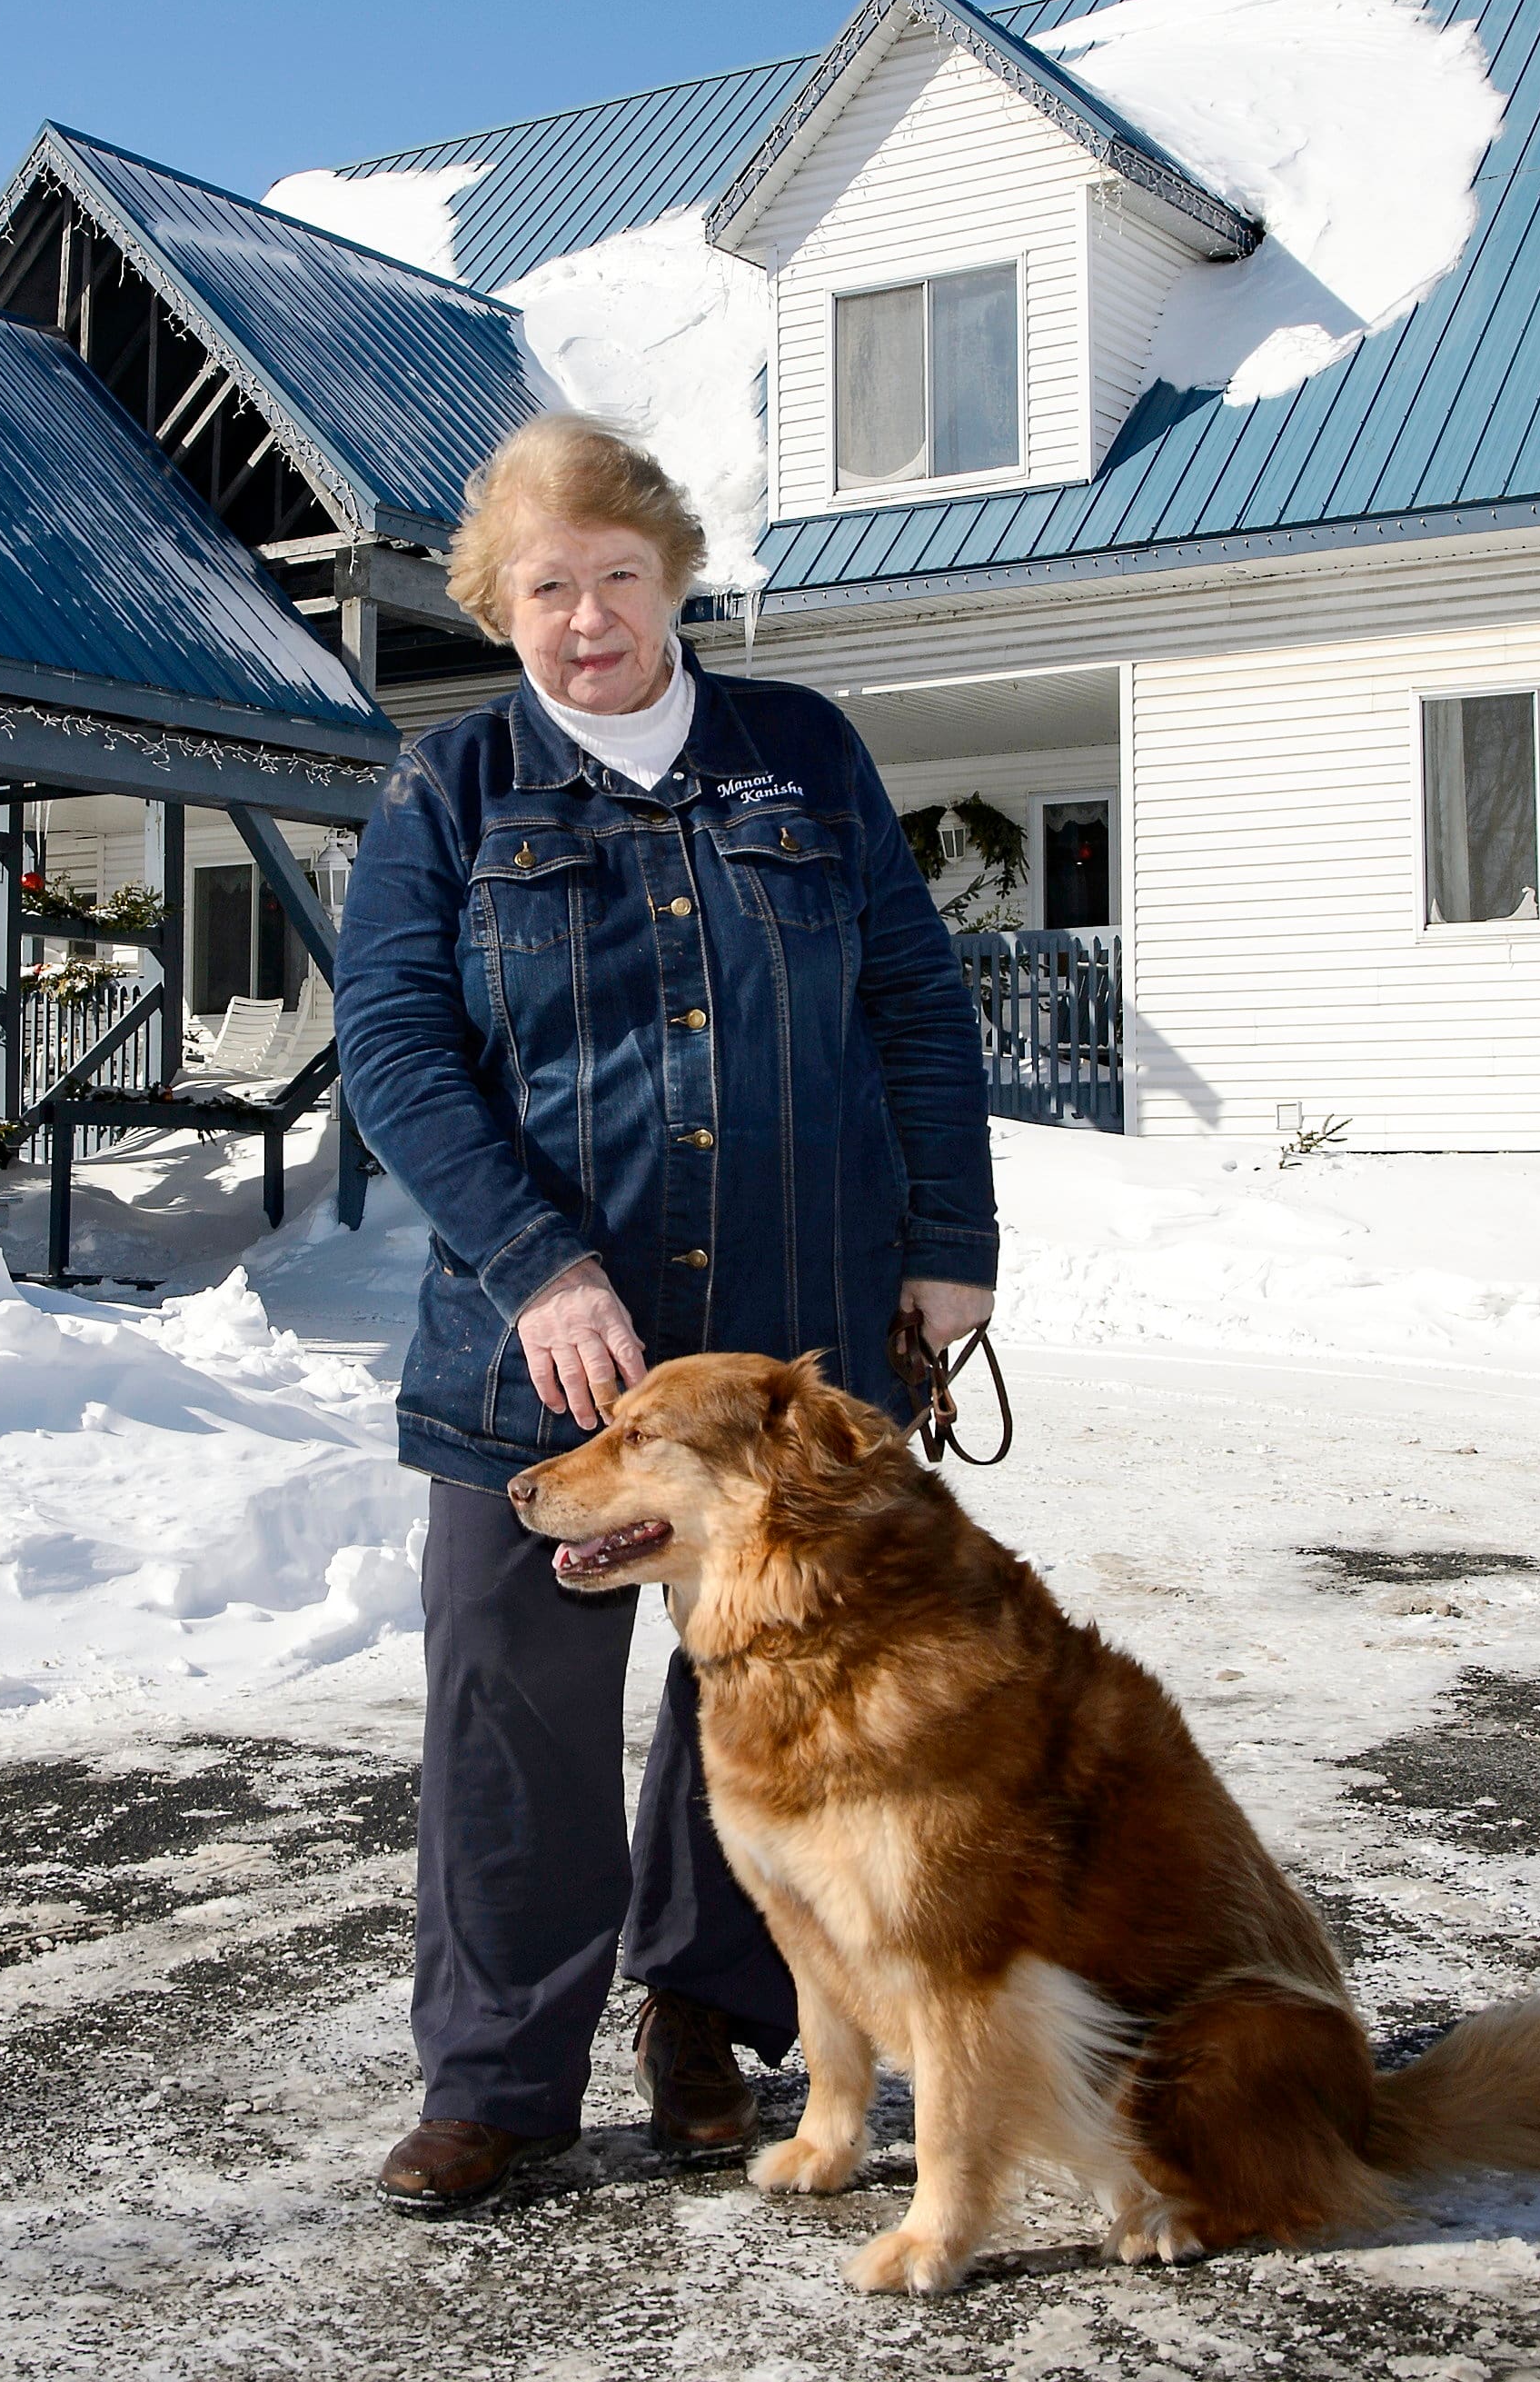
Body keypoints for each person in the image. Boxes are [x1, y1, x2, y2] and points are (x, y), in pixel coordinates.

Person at [334, 412, 999, 2213]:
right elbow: (394, 1050)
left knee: (773, 1690)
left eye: (618, 577)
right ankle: (495, 2080)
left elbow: (916, 1006)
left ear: (674, 579)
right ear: (496, 603)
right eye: (544, 587)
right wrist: (534, 1262)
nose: (586, 617)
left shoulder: (799, 755)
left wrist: (950, 1234)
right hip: (538, 1360)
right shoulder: (448, 791)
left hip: (789, 1350)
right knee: (511, 1707)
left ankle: (706, 2012)